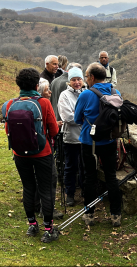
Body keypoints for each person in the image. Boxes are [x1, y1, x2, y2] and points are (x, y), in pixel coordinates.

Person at [4, 68, 59, 243]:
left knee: (28, 188)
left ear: (18, 84)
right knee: (45, 189)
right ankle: (49, 230)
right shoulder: (43, 103)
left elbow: (8, 130)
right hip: (42, 153)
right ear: (37, 84)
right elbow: (54, 130)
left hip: (19, 153)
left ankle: (32, 225)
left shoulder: (10, 104)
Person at [74, 62, 122, 227]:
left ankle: (89, 215)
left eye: (86, 76)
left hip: (89, 142)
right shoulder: (116, 92)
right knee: (111, 177)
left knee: (89, 178)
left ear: (92, 77)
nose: (86, 79)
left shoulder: (86, 95)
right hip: (110, 141)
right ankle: (116, 215)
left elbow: (76, 118)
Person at [58, 67, 86, 206]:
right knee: (70, 166)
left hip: (85, 138)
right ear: (69, 81)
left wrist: (78, 115)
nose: (77, 82)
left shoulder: (86, 93)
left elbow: (91, 113)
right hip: (70, 138)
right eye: (74, 80)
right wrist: (83, 117)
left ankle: (84, 190)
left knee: (84, 166)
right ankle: (69, 194)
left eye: (79, 79)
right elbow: (67, 117)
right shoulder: (64, 95)